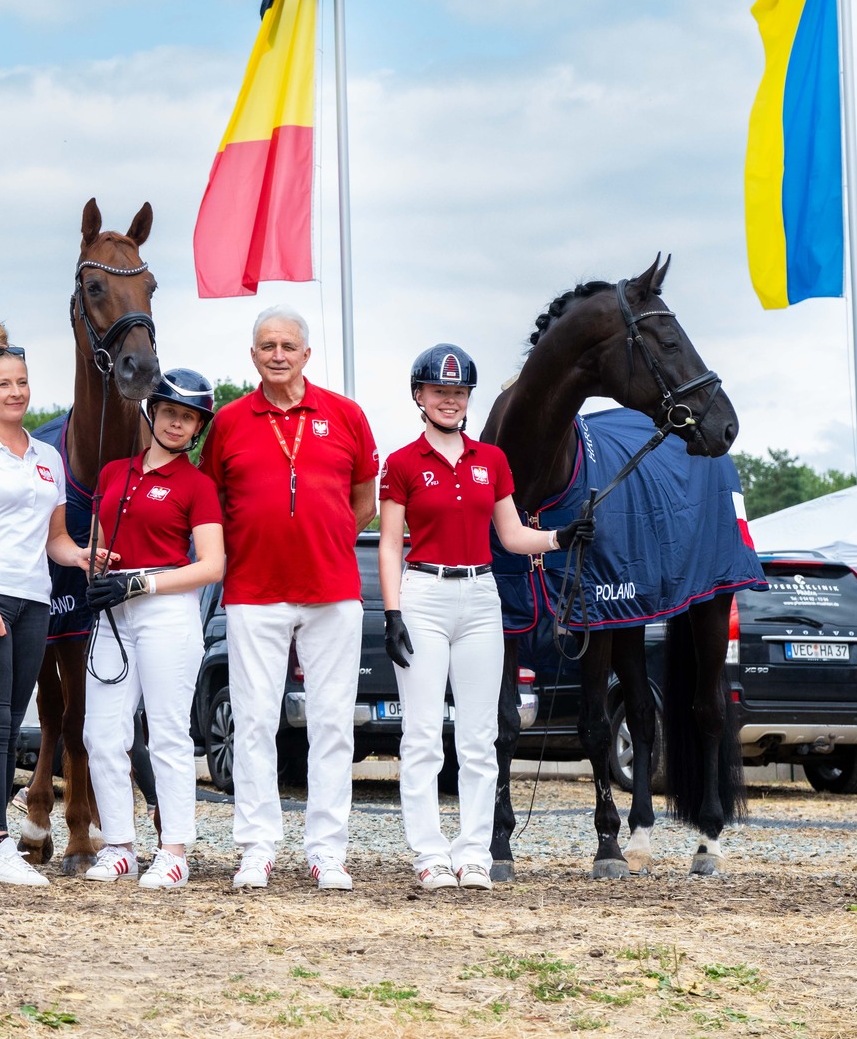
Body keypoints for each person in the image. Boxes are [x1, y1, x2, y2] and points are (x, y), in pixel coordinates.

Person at [378, 344, 593, 890]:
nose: (449, 400)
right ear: (419, 396)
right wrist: (392, 611)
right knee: (422, 735)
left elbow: (512, 535)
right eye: (439, 391)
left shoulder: (491, 461)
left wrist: (560, 537)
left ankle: (472, 850)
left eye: (458, 392)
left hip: (479, 596)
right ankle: (429, 852)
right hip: (424, 594)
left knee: (479, 735)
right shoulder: (401, 463)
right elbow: (390, 543)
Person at [199, 306, 378, 891]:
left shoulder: (346, 415)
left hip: (332, 590)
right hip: (254, 591)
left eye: (288, 346)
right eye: (267, 346)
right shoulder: (228, 422)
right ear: (253, 355)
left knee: (333, 724)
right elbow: (213, 505)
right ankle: (257, 847)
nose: (278, 355)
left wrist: (328, 538)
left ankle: (327, 851)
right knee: (253, 722)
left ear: (306, 354)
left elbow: (365, 500)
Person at [0, 323, 112, 887]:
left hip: (35, 603)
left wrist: (82, 556)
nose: (15, 392)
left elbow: (54, 539)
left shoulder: (47, 457)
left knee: (11, 728)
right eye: (3, 384)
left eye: (22, 383)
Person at [79, 368, 226, 890]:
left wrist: (140, 584)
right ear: (153, 412)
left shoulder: (198, 486)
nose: (176, 423)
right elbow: (99, 545)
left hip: (165, 608)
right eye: (169, 412)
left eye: (187, 418)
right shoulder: (113, 473)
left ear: (197, 428)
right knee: (101, 734)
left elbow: (212, 565)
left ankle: (175, 851)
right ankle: (120, 846)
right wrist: (96, 571)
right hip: (114, 611)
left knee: (166, 733)